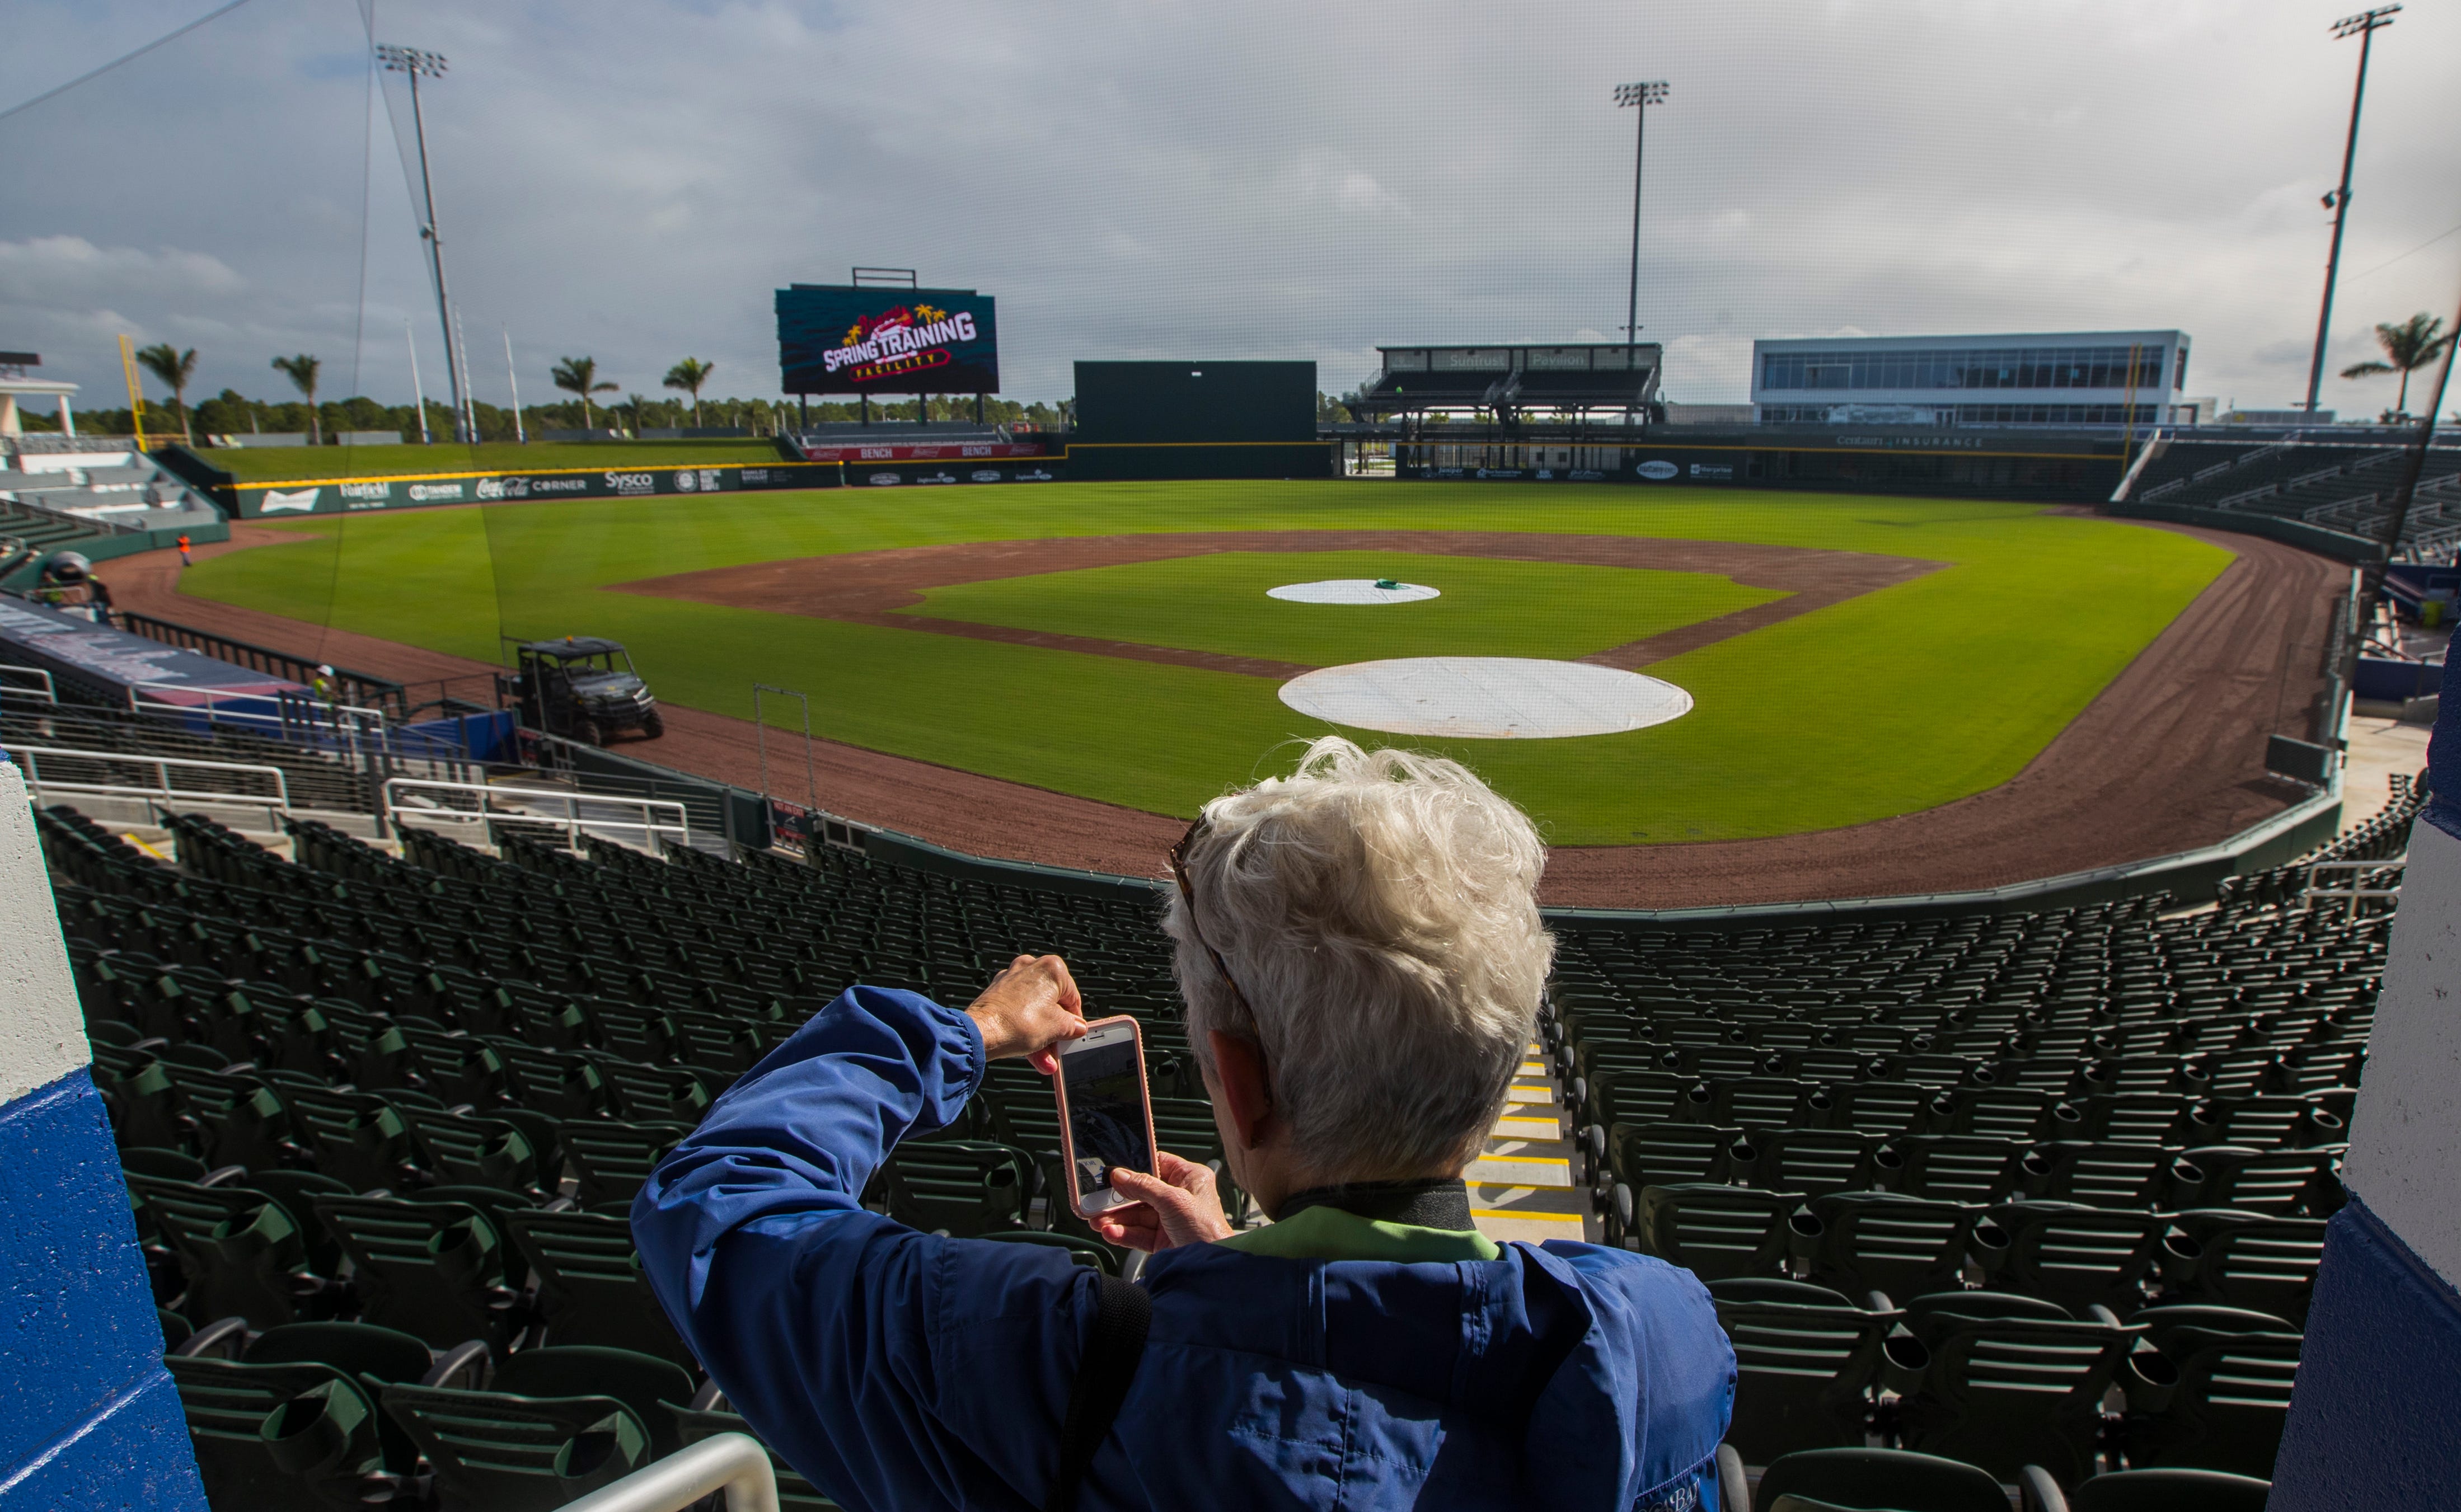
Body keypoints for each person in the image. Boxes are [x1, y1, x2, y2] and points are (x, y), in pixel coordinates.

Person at [634, 738, 1736, 1511]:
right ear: (1502, 1072)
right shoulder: (1661, 1346)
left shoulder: (1041, 1359)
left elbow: (716, 1205)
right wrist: (1251, 1275)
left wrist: (965, 1034)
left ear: (1239, 1088)